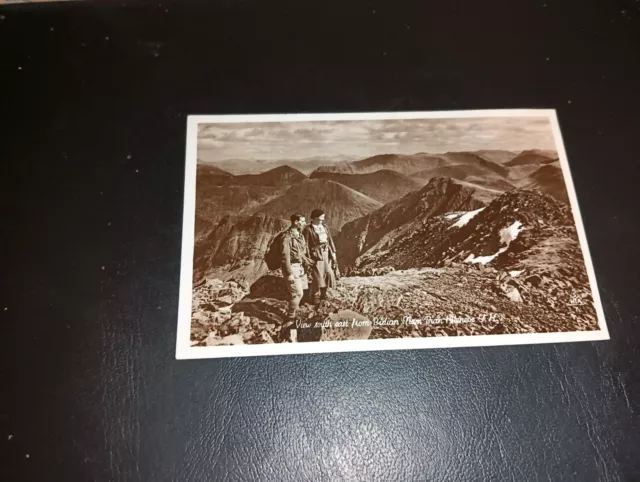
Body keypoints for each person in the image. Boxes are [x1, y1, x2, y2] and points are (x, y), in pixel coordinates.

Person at [303, 208, 339, 306]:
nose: (323, 219)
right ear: (315, 217)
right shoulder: (308, 229)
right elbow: (305, 244)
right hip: (316, 255)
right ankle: (315, 297)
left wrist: (333, 253)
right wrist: (308, 257)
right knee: (318, 276)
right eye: (321, 217)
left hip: (326, 253)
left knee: (328, 273)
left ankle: (323, 295)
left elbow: (330, 240)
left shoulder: (325, 227)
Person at [280, 213, 313, 321]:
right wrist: (289, 273)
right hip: (292, 267)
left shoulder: (300, 235)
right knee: (297, 293)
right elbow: (285, 257)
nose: (305, 223)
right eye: (302, 221)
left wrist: (306, 261)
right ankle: (290, 317)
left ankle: (295, 311)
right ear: (295, 222)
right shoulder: (287, 237)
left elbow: (301, 252)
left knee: (302, 290)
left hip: (300, 267)